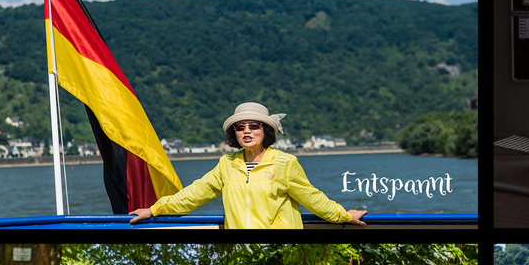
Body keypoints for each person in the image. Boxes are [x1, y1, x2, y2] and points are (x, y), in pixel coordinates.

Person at [129, 102, 367, 228]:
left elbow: (312, 197)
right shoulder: (227, 164)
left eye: (254, 126)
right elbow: (194, 194)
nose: (247, 131)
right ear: (235, 133)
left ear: (266, 131)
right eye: (240, 127)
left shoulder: (285, 162)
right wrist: (155, 209)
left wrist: (343, 215)